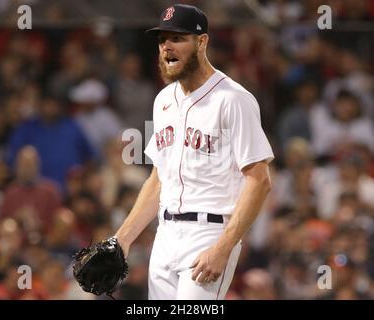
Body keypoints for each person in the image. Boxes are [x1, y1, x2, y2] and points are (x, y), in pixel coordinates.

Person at [114, 4, 274, 300]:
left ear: (202, 42)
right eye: (163, 39)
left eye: (178, 38)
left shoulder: (234, 99)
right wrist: (122, 239)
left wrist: (223, 247)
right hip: (165, 235)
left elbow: (259, 179)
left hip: (209, 232)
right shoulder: (162, 100)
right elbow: (158, 180)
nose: (167, 47)